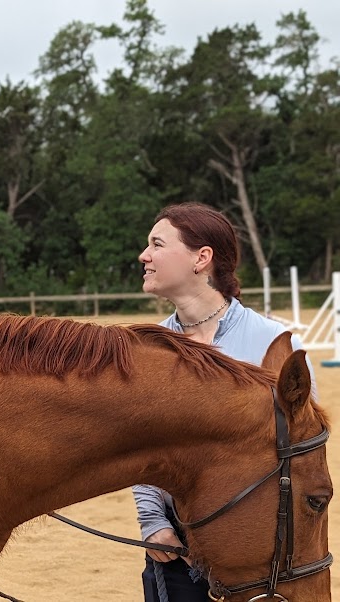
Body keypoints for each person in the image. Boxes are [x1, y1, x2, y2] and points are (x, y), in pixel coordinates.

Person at [132, 201, 316, 601]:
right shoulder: (147, 349)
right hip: (174, 551)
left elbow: (302, 458)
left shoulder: (275, 345)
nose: (144, 255)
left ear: (202, 258)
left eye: (157, 244)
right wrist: (152, 523)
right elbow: (141, 449)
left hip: (252, 549)